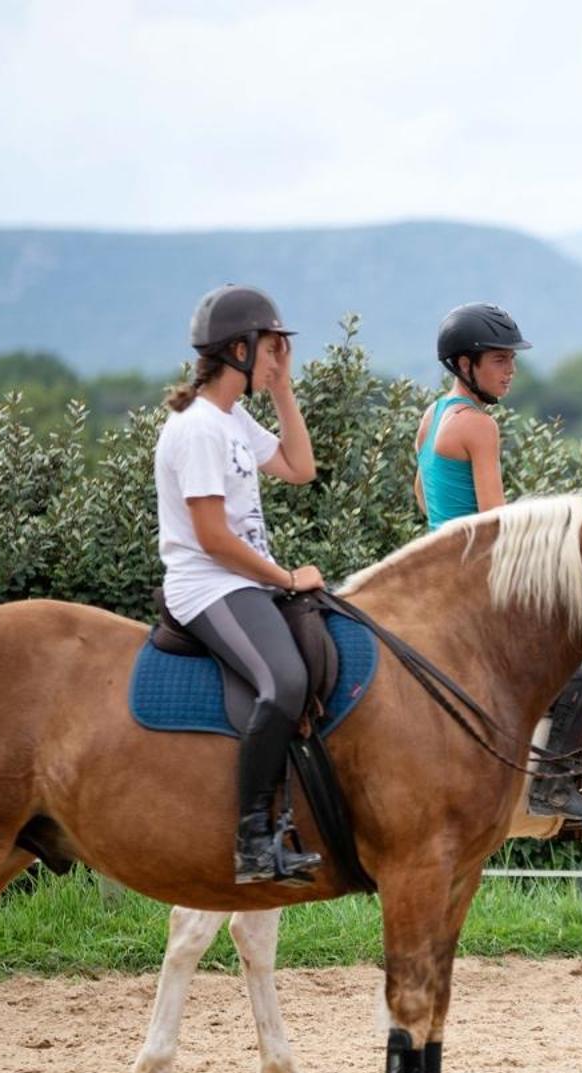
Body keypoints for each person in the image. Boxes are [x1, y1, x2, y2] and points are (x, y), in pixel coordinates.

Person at [415, 303, 582, 826]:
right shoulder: (479, 427)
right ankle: (551, 785)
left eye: (512, 359)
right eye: (500, 359)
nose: (511, 371)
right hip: (479, 579)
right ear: (465, 364)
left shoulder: (434, 415)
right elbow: (499, 526)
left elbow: (423, 496)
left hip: (439, 570)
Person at [156, 284, 326, 884]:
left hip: (242, 582)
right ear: (238, 349)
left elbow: (300, 470)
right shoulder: (199, 429)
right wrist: (285, 577)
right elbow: (211, 537)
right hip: (208, 585)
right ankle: (253, 838)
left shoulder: (232, 420)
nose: (281, 359)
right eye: (272, 350)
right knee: (284, 681)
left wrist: (282, 389)